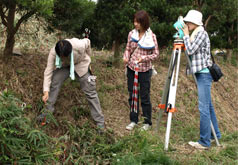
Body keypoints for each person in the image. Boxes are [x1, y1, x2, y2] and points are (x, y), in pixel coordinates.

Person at [37, 38, 105, 129]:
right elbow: (48, 70)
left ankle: (100, 122)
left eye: (65, 57)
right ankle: (47, 114)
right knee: (54, 81)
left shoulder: (79, 45)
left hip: (81, 64)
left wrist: (89, 60)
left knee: (90, 92)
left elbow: (88, 42)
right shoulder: (53, 52)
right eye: (61, 57)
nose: (63, 58)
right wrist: (46, 91)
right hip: (65, 66)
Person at [182, 10, 221, 149]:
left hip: (204, 74)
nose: (186, 24)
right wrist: (186, 35)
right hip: (202, 73)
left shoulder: (201, 33)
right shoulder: (196, 33)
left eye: (188, 22)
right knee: (208, 106)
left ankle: (204, 142)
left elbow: (191, 50)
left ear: (195, 22)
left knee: (203, 108)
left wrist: (185, 35)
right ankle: (214, 134)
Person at [123, 10, 159, 131]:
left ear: (144, 22)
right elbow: (128, 49)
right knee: (132, 95)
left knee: (145, 96)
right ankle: (133, 120)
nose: (136, 24)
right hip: (131, 68)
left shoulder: (151, 36)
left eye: (138, 22)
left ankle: (147, 122)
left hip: (145, 70)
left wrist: (144, 58)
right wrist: (126, 56)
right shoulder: (131, 34)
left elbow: (156, 54)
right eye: (134, 21)